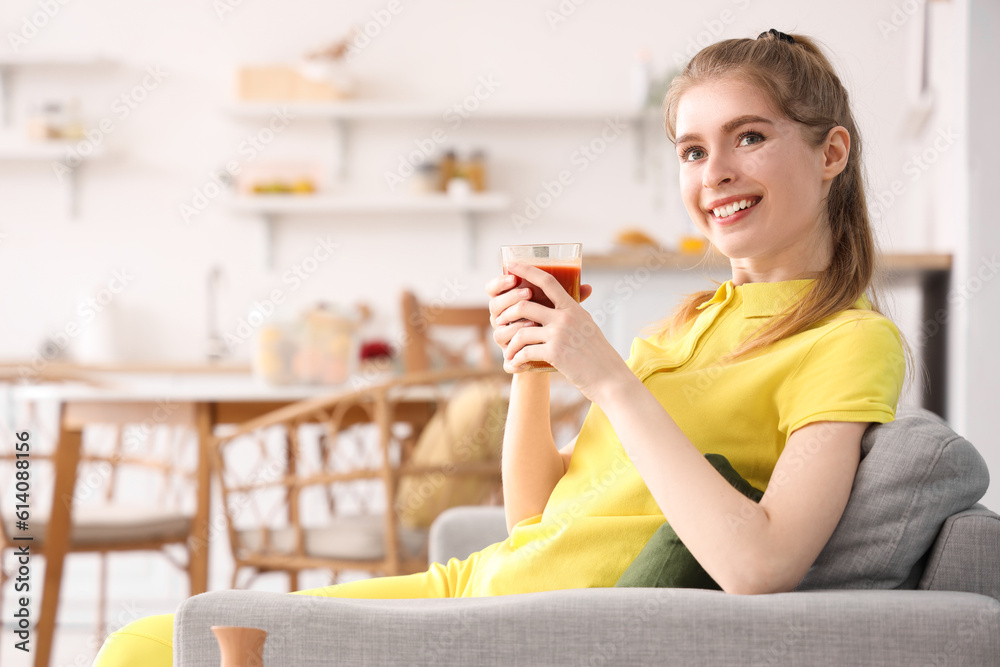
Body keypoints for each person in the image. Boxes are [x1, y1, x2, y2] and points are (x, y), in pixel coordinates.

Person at [94, 29, 908, 665]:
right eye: (693, 151)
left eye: (749, 138)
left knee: (152, 648)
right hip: (476, 587)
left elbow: (760, 565)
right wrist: (531, 371)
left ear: (831, 151)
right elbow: (533, 517)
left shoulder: (848, 340)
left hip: (517, 628)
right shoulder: (688, 319)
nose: (715, 173)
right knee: (143, 641)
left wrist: (610, 380)